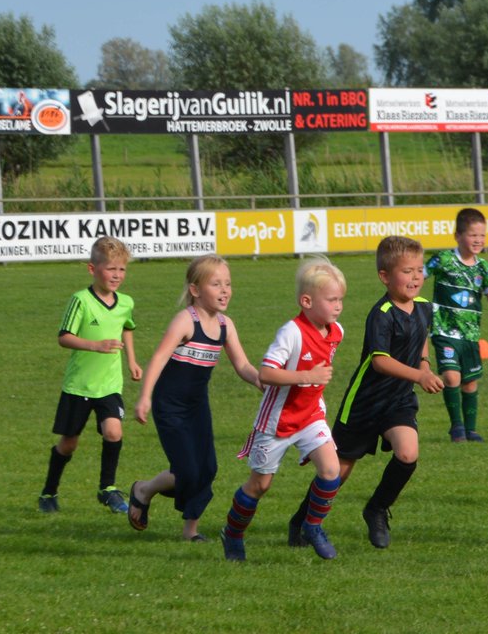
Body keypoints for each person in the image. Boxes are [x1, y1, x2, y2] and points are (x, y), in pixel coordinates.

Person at [295, 236, 443, 549]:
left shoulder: (424, 308)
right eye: (407, 271)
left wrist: (425, 364)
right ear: (385, 277)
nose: (416, 277)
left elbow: (421, 339)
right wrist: (419, 375)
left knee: (408, 453)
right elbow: (379, 361)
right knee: (338, 472)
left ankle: (376, 509)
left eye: (419, 270)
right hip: (364, 402)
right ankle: (303, 521)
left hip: (399, 401)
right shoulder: (383, 313)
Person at [130, 255, 262, 541]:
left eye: (228, 283)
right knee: (187, 470)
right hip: (170, 405)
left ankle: (190, 531)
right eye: (216, 284)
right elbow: (159, 358)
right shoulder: (185, 321)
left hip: (197, 406)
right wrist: (145, 398)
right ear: (195, 290)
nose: (225, 290)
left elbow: (242, 365)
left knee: (207, 468)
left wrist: (260, 381)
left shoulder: (226, 325)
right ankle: (144, 489)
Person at [220, 259, 343, 562]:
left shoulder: (336, 331)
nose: (338, 306)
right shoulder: (291, 332)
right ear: (306, 301)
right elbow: (266, 374)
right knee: (260, 485)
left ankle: (312, 526)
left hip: (311, 415)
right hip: (276, 422)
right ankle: (233, 534)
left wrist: (313, 387)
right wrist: (306, 377)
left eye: (341, 299)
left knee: (331, 470)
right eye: (331, 300)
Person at [38, 236, 143, 515]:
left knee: (113, 431)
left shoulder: (126, 303)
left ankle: (107, 489)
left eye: (121, 269)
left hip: (109, 385)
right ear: (92, 269)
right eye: (110, 269)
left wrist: (132, 360)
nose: (117, 275)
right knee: (69, 443)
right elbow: (64, 337)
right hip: (79, 386)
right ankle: (49, 491)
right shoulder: (80, 300)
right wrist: (95, 345)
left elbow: (128, 327)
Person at [426, 207, 488, 443]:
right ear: (458, 235)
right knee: (452, 378)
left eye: (482, 236)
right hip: (444, 330)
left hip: (471, 335)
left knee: (470, 382)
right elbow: (418, 275)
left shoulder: (483, 268)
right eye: (473, 235)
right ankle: (457, 427)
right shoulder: (443, 259)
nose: (478, 240)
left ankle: (471, 429)